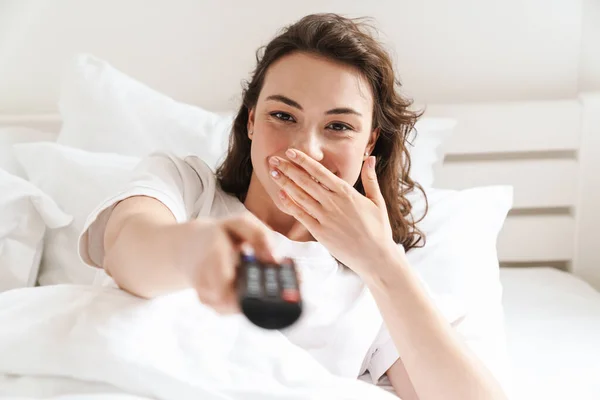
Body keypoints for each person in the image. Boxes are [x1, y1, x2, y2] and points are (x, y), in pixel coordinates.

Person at [79, 13, 509, 399]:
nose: (307, 150)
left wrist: (381, 262)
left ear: (369, 144)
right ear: (251, 120)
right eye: (283, 116)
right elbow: (124, 249)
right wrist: (196, 250)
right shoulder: (186, 189)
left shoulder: (376, 289)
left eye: (338, 126)